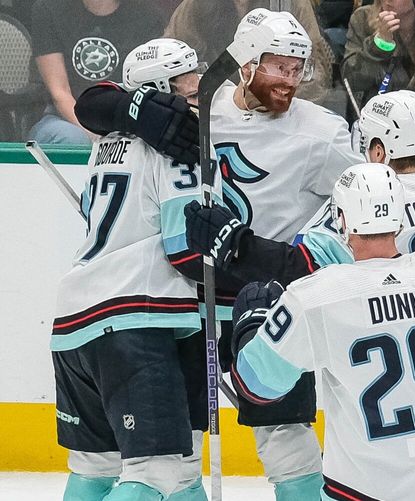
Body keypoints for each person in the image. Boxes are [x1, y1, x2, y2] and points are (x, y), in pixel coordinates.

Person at [183, 89, 415, 499]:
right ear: (398, 217)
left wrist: (235, 250)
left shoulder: (318, 294)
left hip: (370, 482)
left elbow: (288, 281)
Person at [74, 9, 365, 500]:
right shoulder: (199, 109)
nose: (290, 81)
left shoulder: (323, 131)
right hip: (191, 306)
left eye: (298, 69)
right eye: (278, 67)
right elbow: (95, 104)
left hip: (269, 304)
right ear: (246, 64)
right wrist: (134, 111)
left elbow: (363, 197)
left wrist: (286, 259)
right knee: (178, 458)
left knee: (287, 438)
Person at [50, 38, 212, 501]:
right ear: (162, 90)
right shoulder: (179, 150)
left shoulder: (105, 145)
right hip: (138, 320)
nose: (200, 90)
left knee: (99, 471)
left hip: (75, 320)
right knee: (157, 473)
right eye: (189, 83)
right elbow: (186, 253)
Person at [29, 0, 164, 144]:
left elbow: (151, 89)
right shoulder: (49, 8)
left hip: (126, 121)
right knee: (74, 140)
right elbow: (60, 93)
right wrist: (99, 136)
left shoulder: (148, 15)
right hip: (63, 119)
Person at [164, 0, 335, 104]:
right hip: (211, 113)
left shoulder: (290, 4)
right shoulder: (195, 7)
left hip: (277, 118)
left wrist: (272, 104)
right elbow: (167, 59)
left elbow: (315, 75)